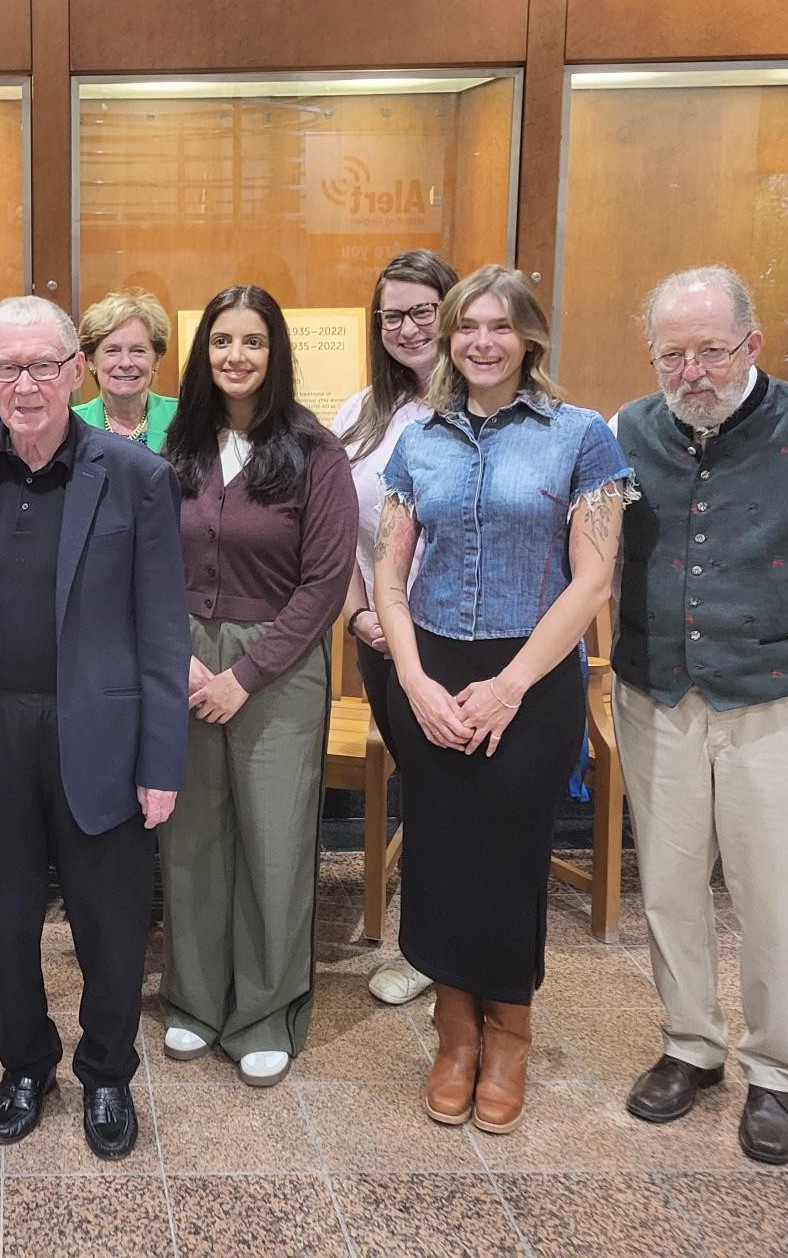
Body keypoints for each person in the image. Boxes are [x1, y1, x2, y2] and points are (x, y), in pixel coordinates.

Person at [611, 266, 788, 1165]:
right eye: (673, 354)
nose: (693, 370)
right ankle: (690, 1045)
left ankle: (777, 1074)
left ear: (752, 345)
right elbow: (613, 565)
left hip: (780, 703)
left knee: (773, 896)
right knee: (667, 885)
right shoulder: (626, 428)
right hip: (659, 694)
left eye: (712, 350)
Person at [0, 296, 189, 1161]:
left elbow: (163, 627)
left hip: (99, 734)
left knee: (110, 923)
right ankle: (24, 1063)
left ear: (77, 370)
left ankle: (107, 1073)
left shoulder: (136, 475)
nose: (24, 386)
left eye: (42, 366)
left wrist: (162, 758)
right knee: (2, 921)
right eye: (5, 368)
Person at [372, 266, 633, 1136]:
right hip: (433, 666)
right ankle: (454, 1036)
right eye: (465, 328)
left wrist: (512, 685)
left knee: (512, 854)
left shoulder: (582, 436)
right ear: (447, 340)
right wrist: (413, 680)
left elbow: (593, 577)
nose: (480, 342)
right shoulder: (420, 441)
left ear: (529, 338)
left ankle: (508, 1033)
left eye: (499, 327)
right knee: (442, 851)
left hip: (535, 672)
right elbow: (390, 575)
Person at [159, 286, 354, 1088]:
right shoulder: (182, 445)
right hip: (183, 659)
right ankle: (195, 1001)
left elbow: (326, 581)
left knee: (274, 841)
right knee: (191, 837)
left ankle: (266, 1011)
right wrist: (176, 656)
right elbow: (144, 562)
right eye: (220, 342)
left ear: (277, 353)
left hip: (278, 664)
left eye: (253, 342)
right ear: (203, 354)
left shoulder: (316, 451)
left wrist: (245, 674)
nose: (235, 357)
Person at [332, 250, 459, 1008]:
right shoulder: (358, 415)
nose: (408, 328)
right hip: (383, 640)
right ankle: (425, 946)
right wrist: (358, 614)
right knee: (425, 791)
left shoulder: (483, 407)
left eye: (423, 311)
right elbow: (341, 536)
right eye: (392, 315)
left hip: (467, 641)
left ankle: (456, 948)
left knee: (457, 797)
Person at [72, 289, 177, 451]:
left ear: (156, 360)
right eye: (112, 351)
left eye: (138, 351)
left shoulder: (183, 418)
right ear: (91, 360)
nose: (126, 363)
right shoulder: (70, 425)